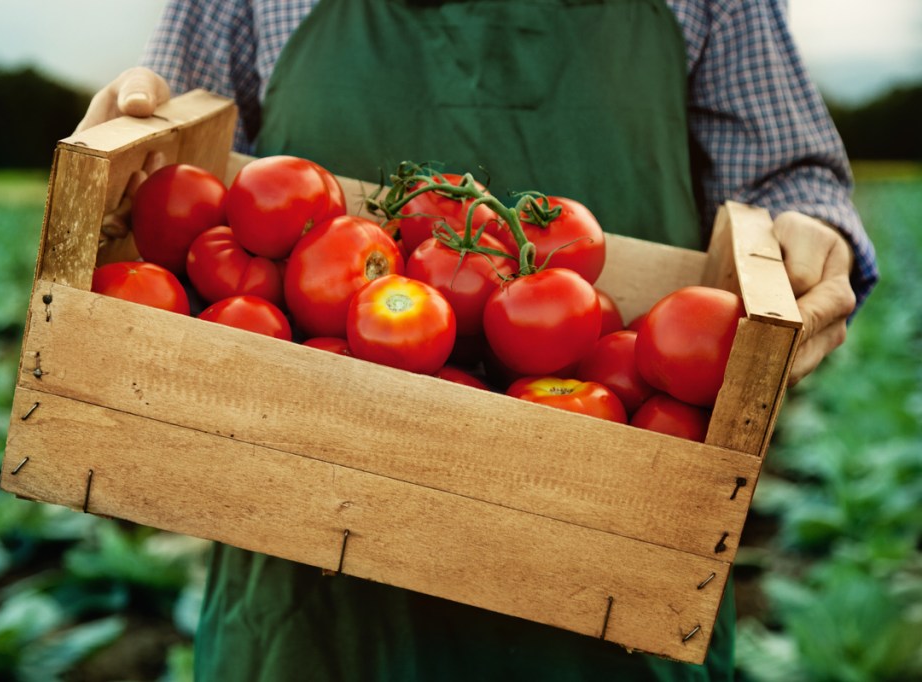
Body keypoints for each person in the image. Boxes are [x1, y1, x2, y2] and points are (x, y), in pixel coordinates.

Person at [77, 1, 879, 680]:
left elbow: (788, 178)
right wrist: (137, 130)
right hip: (303, 578)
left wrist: (812, 235)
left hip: (620, 565)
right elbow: (179, 142)